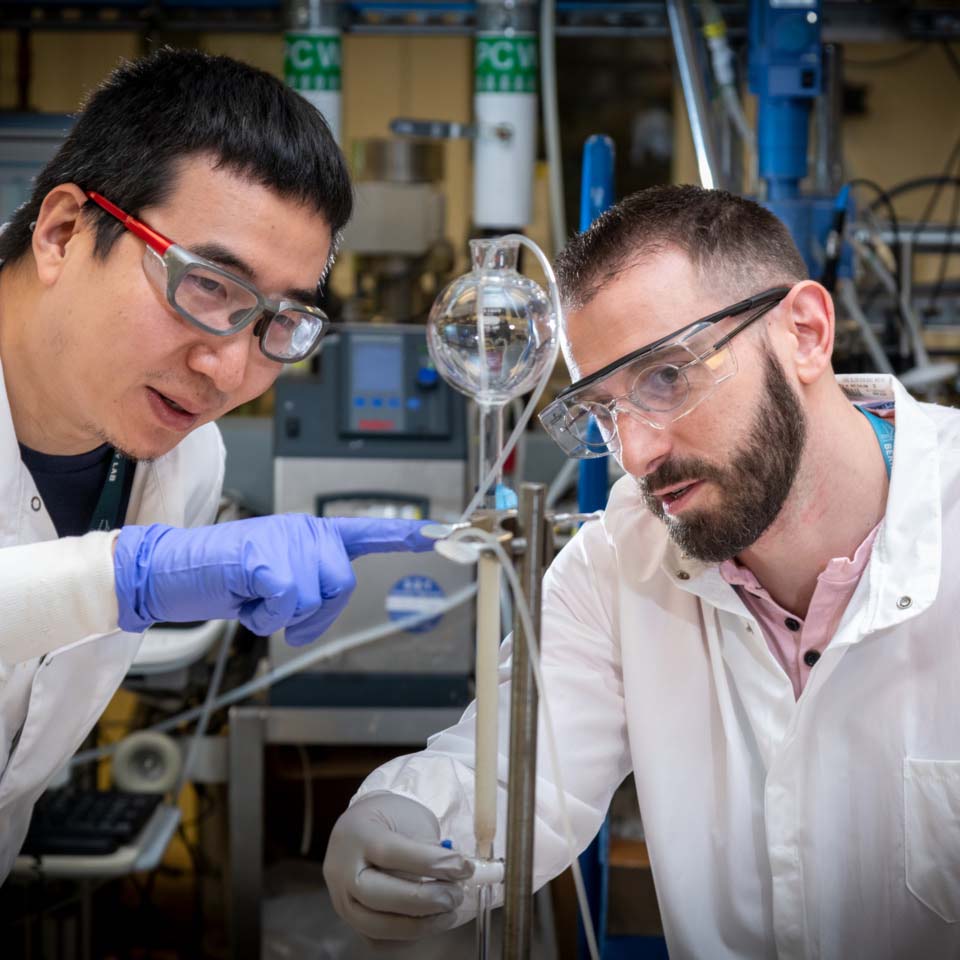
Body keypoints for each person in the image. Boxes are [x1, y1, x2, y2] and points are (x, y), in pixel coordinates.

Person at [323, 185, 960, 957]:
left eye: (666, 377)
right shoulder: (620, 559)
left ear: (804, 332)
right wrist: (403, 813)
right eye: (603, 410)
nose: (635, 455)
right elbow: (520, 774)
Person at [0, 49, 433, 882]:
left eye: (279, 323)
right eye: (205, 285)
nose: (230, 373)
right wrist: (124, 577)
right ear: (61, 232)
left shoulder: (186, 457)